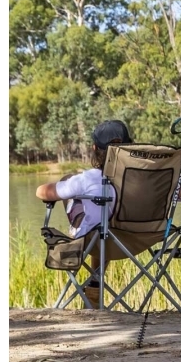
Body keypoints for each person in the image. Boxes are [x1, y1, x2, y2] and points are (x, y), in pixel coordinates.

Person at [36, 119, 133, 308]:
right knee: (104, 226)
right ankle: (95, 283)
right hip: (135, 239)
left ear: (94, 148)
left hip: (95, 240)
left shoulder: (88, 178)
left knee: (98, 226)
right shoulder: (141, 179)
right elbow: (177, 194)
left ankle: (75, 234)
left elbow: (42, 192)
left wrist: (67, 184)